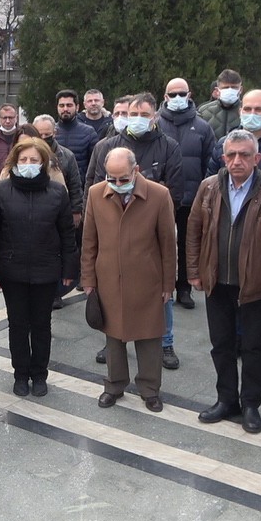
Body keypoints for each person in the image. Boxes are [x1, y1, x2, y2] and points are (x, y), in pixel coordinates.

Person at [186, 130, 261, 434]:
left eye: (244, 155)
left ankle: (251, 404)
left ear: (256, 158)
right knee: (221, 344)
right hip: (217, 283)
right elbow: (193, 231)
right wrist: (194, 270)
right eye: (231, 155)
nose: (237, 161)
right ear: (223, 158)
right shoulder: (209, 188)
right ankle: (226, 399)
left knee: (254, 347)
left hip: (255, 286)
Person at [88, 93, 185, 369]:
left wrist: (148, 201)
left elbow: (173, 190)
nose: (138, 120)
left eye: (144, 115)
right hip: (114, 224)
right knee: (112, 289)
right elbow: (96, 185)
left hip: (151, 226)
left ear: (155, 116)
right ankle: (113, 340)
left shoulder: (168, 146)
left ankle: (165, 342)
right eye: (133, 114)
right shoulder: (107, 146)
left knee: (158, 291)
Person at [83, 148, 177, 412]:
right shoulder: (96, 193)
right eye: (111, 178)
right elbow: (89, 241)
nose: (117, 184)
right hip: (109, 278)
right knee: (113, 336)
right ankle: (114, 385)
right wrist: (89, 278)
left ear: (136, 170)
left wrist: (168, 284)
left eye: (123, 178)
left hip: (147, 280)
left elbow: (168, 244)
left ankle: (150, 389)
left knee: (149, 337)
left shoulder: (159, 195)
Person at [0, 138, 77, 397]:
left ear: (44, 163)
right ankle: (20, 373)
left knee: (41, 325)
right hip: (11, 270)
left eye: (34, 160)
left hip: (46, 269)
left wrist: (69, 270)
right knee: (17, 324)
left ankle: (39, 374)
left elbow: (67, 234)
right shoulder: (1, 191)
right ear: (15, 162)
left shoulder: (57, 192)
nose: (28, 164)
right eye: (23, 160)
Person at [158, 78, 216, 311]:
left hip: (192, 198)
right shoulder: (156, 124)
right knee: (160, 242)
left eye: (182, 93)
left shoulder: (203, 126)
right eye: (172, 94)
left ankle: (184, 288)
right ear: (165, 97)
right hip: (163, 198)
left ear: (190, 94)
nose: (177, 98)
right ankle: (163, 285)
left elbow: (210, 163)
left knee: (188, 243)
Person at [55, 89, 99, 181]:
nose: (65, 109)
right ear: (57, 107)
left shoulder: (89, 133)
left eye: (69, 105)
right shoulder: (50, 132)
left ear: (77, 107)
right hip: (55, 189)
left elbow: (96, 166)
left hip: (81, 188)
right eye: (62, 105)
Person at [197, 69, 243, 138]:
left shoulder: (248, 110)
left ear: (240, 90)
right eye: (226, 87)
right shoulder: (203, 111)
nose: (230, 90)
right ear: (217, 90)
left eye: (234, 87)